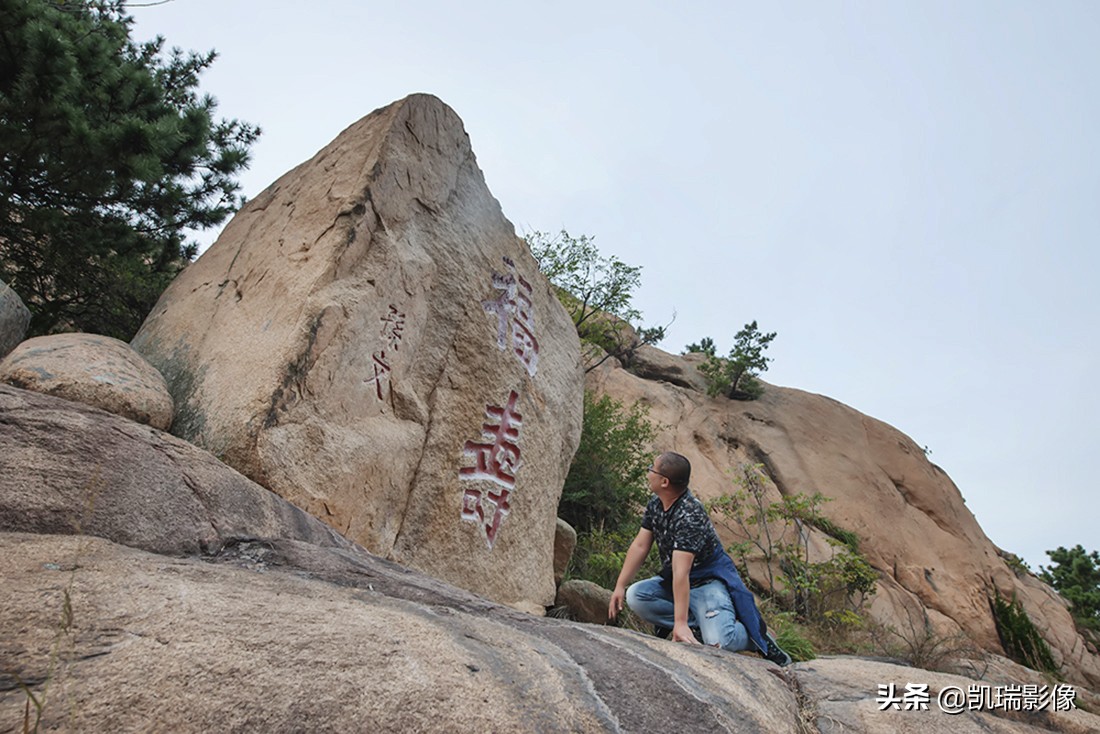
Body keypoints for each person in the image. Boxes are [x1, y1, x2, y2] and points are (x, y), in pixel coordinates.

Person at [607, 451, 792, 665]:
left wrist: (680, 623)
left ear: (664, 482)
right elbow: (640, 546)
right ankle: (700, 625)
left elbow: (681, 571)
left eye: (651, 469)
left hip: (707, 584)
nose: (648, 473)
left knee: (720, 643)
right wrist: (620, 585)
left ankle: (755, 636)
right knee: (636, 595)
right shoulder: (656, 504)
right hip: (679, 584)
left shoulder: (690, 515)